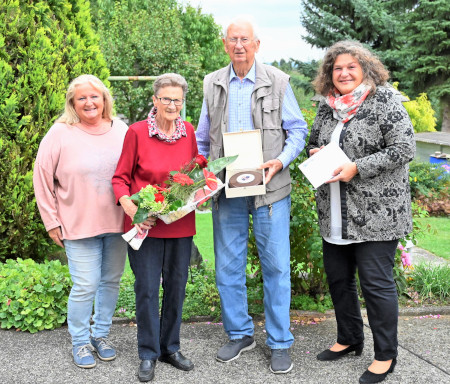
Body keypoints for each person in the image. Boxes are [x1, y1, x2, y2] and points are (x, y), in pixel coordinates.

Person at [196, 16, 308, 374]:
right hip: (227, 189)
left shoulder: (278, 81)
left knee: (275, 267)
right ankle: (240, 333)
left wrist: (279, 160)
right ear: (225, 45)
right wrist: (202, 170)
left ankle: (279, 342)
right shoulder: (212, 83)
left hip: (271, 189)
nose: (239, 45)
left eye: (245, 39)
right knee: (228, 267)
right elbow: (202, 137)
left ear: (257, 44)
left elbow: (298, 131)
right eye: (233, 40)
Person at [306, 40, 415, 384]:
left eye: (351, 66)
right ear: (329, 73)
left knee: (376, 284)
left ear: (366, 69)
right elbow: (314, 139)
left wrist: (358, 167)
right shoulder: (327, 107)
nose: (344, 73)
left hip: (378, 215)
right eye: (337, 67)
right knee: (339, 280)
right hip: (335, 211)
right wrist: (315, 151)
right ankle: (349, 338)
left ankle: (386, 355)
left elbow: (404, 147)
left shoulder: (385, 101)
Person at [33, 74, 128, 368]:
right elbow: (42, 176)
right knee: (86, 285)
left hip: (118, 223)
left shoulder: (121, 129)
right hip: (77, 225)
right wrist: (51, 221)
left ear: (104, 100)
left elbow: (134, 171)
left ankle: (100, 335)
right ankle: (80, 342)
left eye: (95, 96)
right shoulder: (61, 132)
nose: (89, 102)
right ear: (73, 103)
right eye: (82, 98)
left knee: (110, 283)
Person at [112, 73, 197, 382]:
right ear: (155, 100)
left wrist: (197, 192)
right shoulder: (136, 132)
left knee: (176, 288)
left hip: (180, 224)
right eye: (166, 99)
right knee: (147, 290)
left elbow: (190, 175)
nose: (171, 104)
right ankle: (148, 353)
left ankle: (170, 348)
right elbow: (120, 178)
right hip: (145, 225)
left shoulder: (188, 131)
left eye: (177, 99)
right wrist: (131, 207)